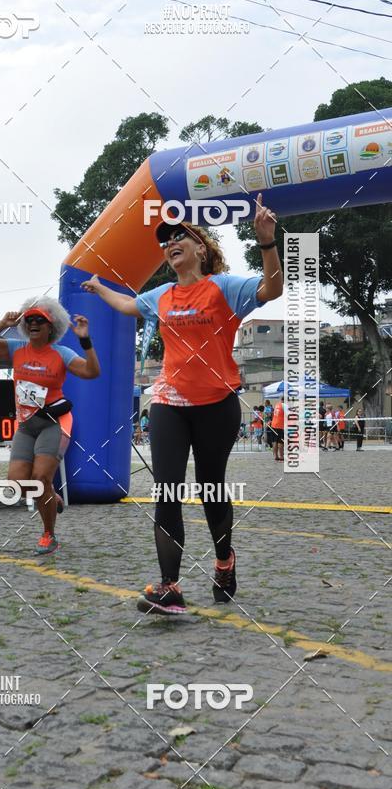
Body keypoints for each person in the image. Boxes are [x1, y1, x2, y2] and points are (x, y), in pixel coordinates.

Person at [82, 193, 282, 614]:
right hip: (169, 401)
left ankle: (224, 560)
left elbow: (273, 288)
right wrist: (100, 287)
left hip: (217, 404)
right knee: (167, 489)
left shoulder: (224, 288)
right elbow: (126, 305)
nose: (170, 242)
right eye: (165, 239)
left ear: (201, 248)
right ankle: (170, 587)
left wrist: (267, 242)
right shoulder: (162, 296)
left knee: (211, 489)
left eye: (179, 236)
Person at [0, 296, 100, 555]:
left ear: (50, 327)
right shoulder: (16, 349)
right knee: (18, 484)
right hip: (27, 424)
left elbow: (91, 372)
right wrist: (2, 324)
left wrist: (85, 341)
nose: (33, 323)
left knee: (41, 478)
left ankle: (49, 534)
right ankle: (52, 499)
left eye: (39, 320)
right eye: (29, 319)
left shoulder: (61, 354)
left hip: (54, 421)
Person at [271, 397, 285, 462]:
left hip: (274, 424)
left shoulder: (277, 405)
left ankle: (276, 456)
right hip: (280, 425)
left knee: (275, 441)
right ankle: (281, 456)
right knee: (281, 441)